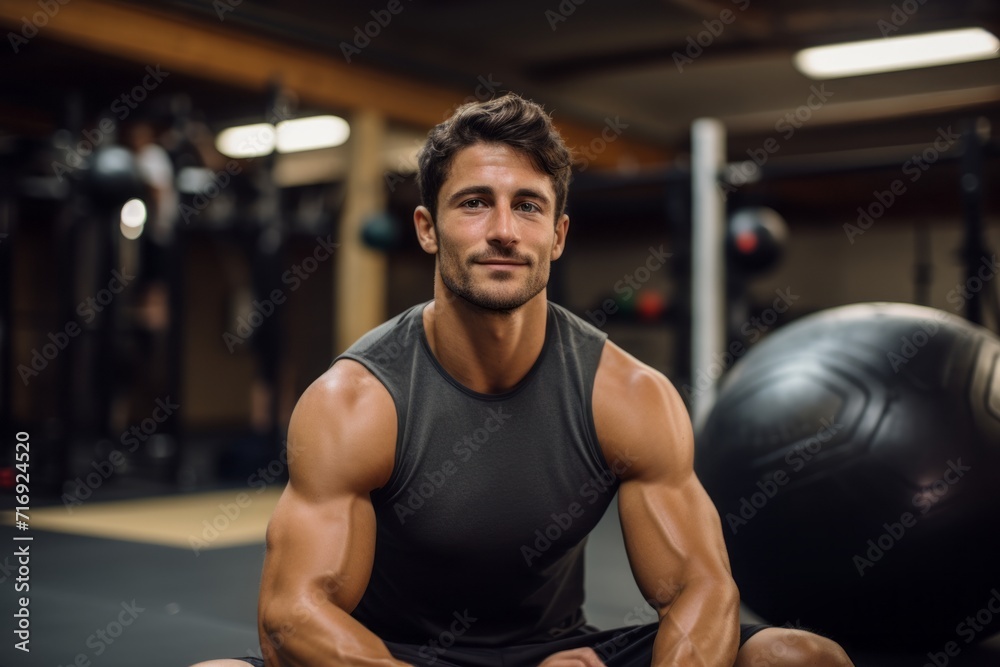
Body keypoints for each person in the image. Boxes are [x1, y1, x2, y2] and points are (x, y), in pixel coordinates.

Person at [192, 93, 853, 667]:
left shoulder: (625, 393)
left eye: (528, 206)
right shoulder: (356, 401)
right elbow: (291, 616)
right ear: (427, 228)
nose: (504, 230)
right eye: (475, 203)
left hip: (560, 654)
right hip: (394, 655)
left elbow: (701, 589)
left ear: (558, 234)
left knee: (798, 655)